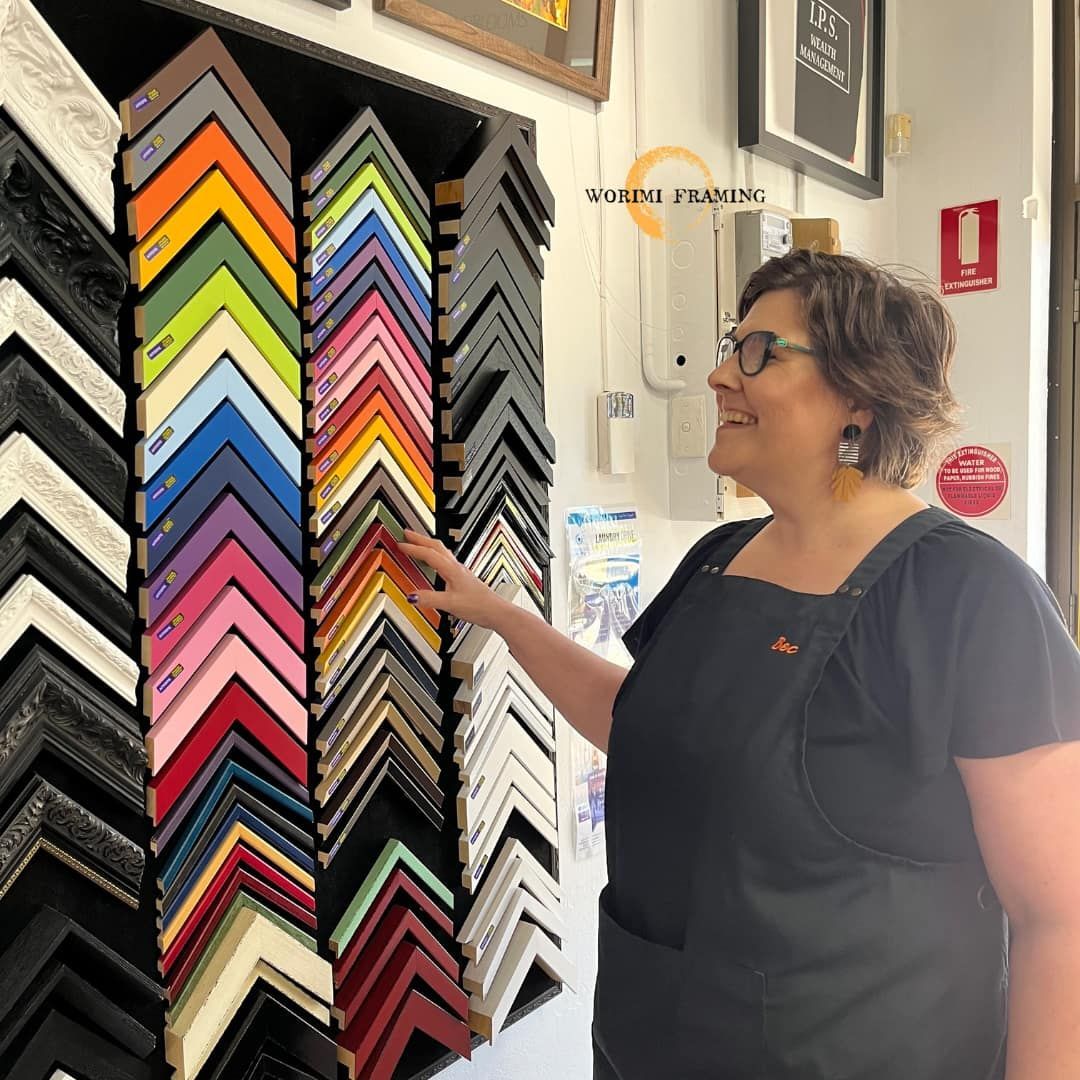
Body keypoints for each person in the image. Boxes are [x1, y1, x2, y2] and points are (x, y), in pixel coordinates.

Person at [399, 249, 1080, 1079]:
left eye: (760, 351)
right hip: (658, 1042)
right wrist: (502, 617)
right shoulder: (719, 558)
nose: (721, 375)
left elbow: (1059, 915)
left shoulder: (969, 593)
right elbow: (642, 724)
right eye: (733, 344)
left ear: (861, 395)